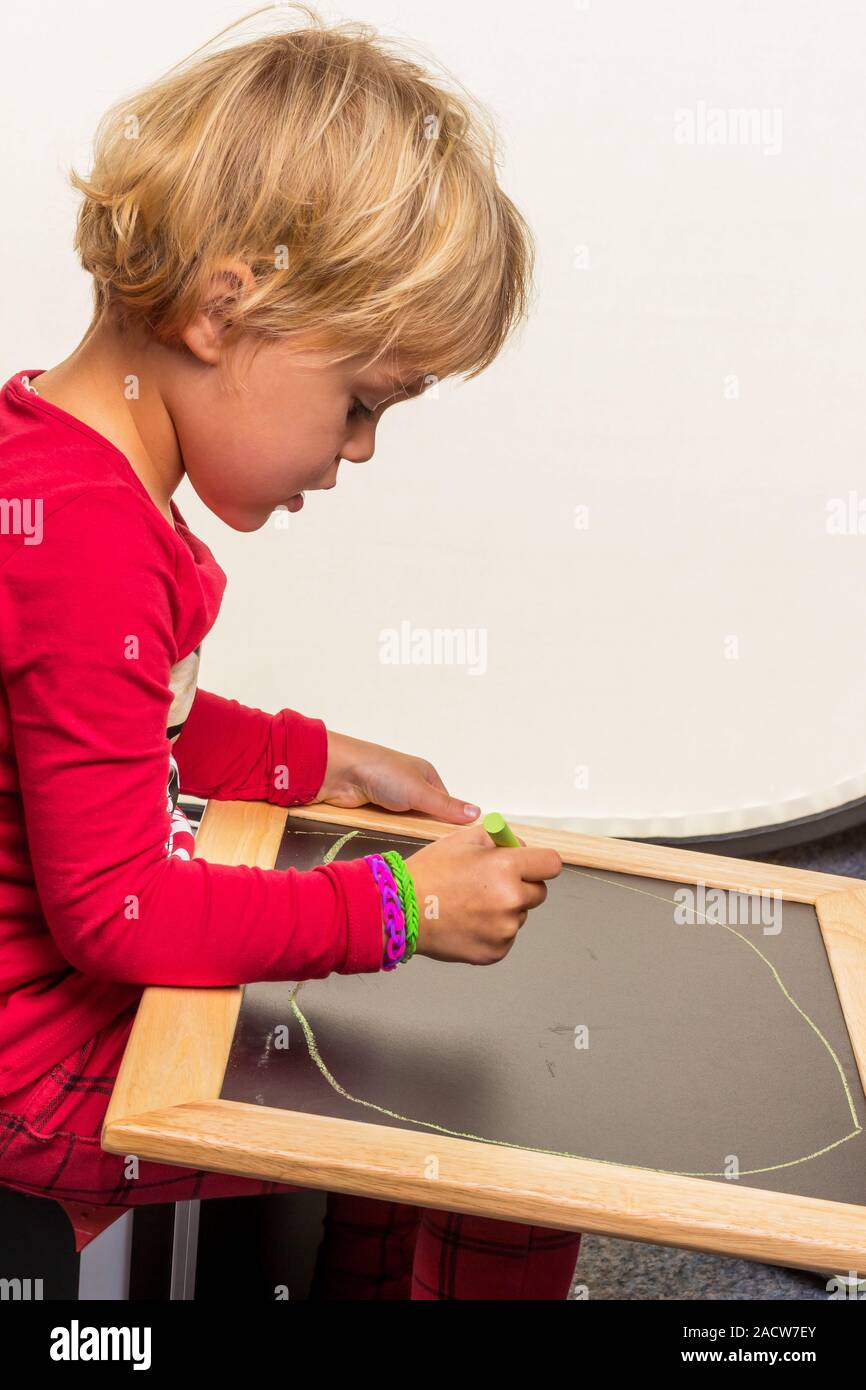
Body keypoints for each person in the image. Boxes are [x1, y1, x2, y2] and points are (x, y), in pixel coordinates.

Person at [0, 6, 579, 1299]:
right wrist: (399, 908)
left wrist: (312, 755)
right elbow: (119, 910)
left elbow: (103, 721)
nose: (361, 448)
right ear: (221, 310)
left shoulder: (55, 465)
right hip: (35, 1086)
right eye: (360, 401)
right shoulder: (87, 541)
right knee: (501, 1146)